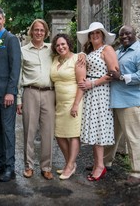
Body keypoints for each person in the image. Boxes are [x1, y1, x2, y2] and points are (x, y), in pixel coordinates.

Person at [77, 22, 118, 181]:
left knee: (99, 129)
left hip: (101, 92)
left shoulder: (107, 49)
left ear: (102, 36)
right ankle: (97, 164)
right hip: (91, 93)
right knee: (94, 130)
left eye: (98, 33)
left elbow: (114, 73)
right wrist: (82, 54)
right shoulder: (90, 51)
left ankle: (100, 166)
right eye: (92, 33)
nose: (94, 35)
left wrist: (92, 83)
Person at [16, 19, 55, 180]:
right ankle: (29, 166)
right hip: (30, 92)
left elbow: (68, 56)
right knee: (29, 131)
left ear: (46, 33)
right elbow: (18, 75)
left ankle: (46, 167)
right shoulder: (23, 50)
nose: (39, 33)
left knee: (48, 132)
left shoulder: (52, 49)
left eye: (42, 30)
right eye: (36, 30)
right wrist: (19, 99)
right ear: (31, 31)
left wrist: (81, 54)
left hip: (49, 93)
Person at [0, 7, 21, 182]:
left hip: (5, 94)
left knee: (7, 131)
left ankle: (10, 168)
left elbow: (15, 68)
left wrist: (11, 92)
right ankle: (0, 165)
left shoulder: (11, 39)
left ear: (4, 20)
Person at [104, 25, 140, 186]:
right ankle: (105, 163)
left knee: (133, 138)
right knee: (111, 136)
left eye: (128, 34)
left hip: (130, 101)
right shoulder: (119, 52)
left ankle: (136, 172)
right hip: (115, 100)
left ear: (135, 34)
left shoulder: (138, 51)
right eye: (122, 34)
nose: (125, 36)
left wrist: (121, 77)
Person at [50, 33, 86, 179]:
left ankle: (70, 165)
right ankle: (69, 163)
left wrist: (76, 104)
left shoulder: (78, 59)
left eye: (63, 44)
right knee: (59, 134)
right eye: (58, 45)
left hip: (73, 102)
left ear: (69, 44)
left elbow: (82, 84)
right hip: (59, 104)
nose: (60, 47)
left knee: (73, 134)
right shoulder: (55, 59)